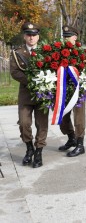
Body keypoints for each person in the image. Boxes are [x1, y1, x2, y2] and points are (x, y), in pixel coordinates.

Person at [10, 22, 48, 168]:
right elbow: (14, 72)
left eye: (34, 35)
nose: (31, 38)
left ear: (38, 36)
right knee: (24, 123)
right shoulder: (17, 53)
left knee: (42, 124)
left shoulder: (46, 52)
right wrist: (33, 81)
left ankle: (38, 152)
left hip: (43, 94)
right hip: (26, 94)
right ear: (24, 36)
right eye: (28, 35)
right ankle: (29, 148)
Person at [58, 25, 86, 157]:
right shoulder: (58, 52)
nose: (66, 39)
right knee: (63, 116)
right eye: (64, 36)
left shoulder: (82, 53)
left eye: (68, 36)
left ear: (75, 37)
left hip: (78, 90)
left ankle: (80, 144)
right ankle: (71, 138)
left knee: (79, 117)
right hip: (63, 90)